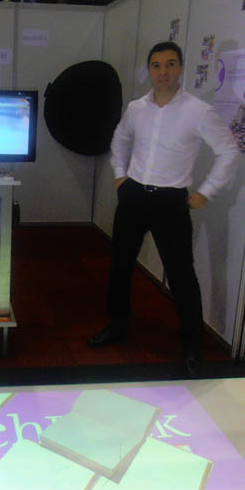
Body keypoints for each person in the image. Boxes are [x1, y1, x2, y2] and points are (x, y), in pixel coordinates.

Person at [87, 41, 239, 376]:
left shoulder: (198, 111)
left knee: (182, 275)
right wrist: (120, 175)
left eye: (170, 64)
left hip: (171, 201)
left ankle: (192, 345)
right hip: (133, 195)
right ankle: (117, 326)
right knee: (120, 266)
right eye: (156, 65)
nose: (163, 72)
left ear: (180, 68)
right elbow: (120, 140)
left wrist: (206, 192)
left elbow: (228, 150)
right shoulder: (136, 109)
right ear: (149, 70)